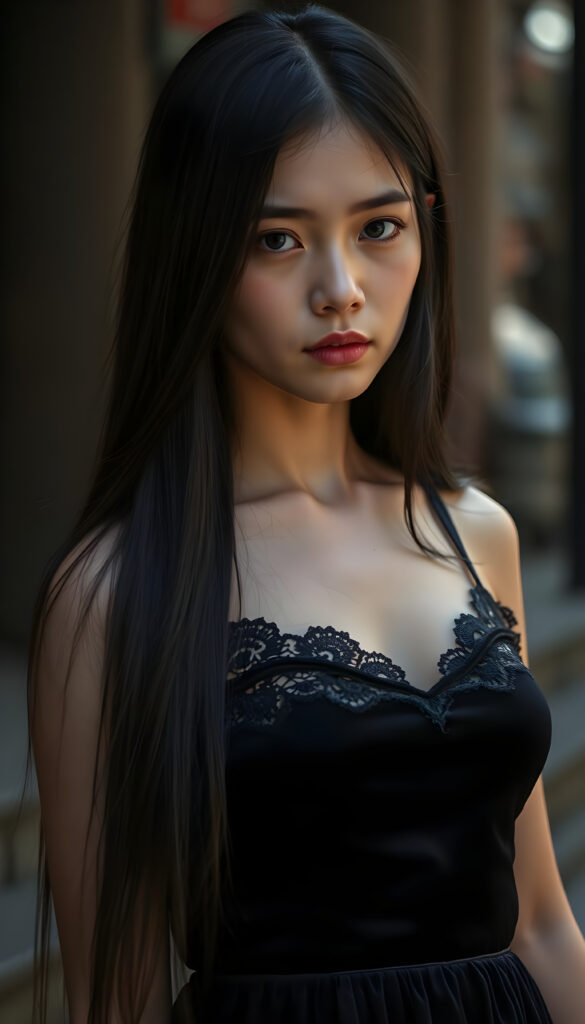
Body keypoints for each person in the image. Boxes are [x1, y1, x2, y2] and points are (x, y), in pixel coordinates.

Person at [27, 5, 585, 1023]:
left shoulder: (476, 531)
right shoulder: (115, 591)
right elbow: (118, 1000)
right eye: (278, 240)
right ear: (196, 255)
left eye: (379, 228)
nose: (342, 291)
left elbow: (542, 923)